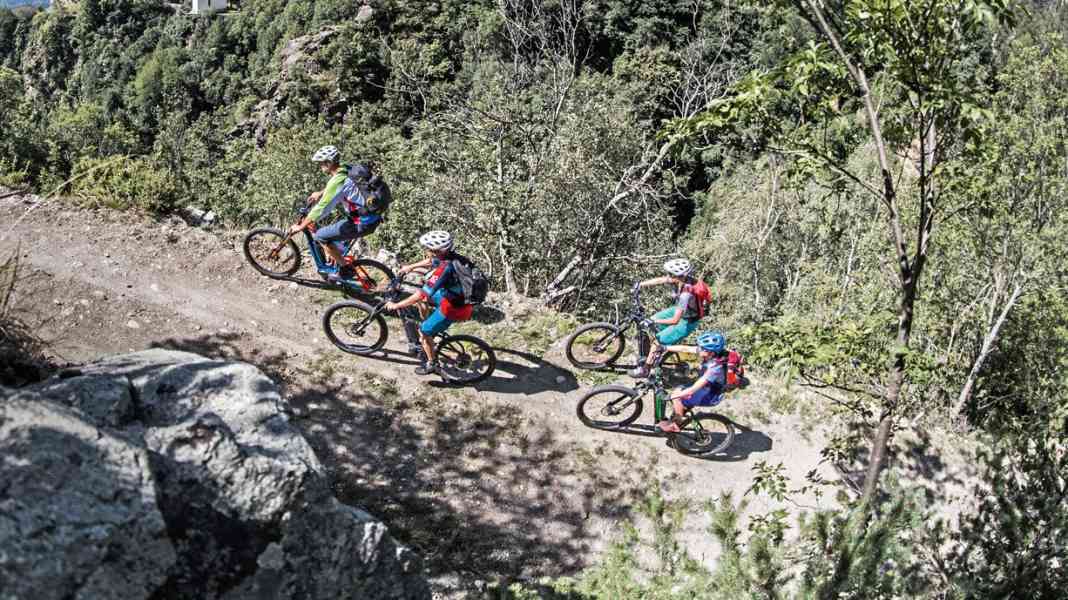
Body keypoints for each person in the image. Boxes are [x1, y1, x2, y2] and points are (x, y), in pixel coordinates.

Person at [383, 230, 473, 375]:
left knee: (423, 330)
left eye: (429, 249)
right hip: (453, 298)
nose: (426, 251)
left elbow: (422, 293)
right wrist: (410, 267)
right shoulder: (450, 256)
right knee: (423, 301)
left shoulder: (445, 269)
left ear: (437, 250)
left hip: (453, 308)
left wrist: (396, 305)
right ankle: (431, 329)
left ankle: (432, 363)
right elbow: (431, 262)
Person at [287, 145, 369, 278]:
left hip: (360, 223)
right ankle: (338, 259)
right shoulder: (346, 169)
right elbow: (338, 186)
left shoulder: (337, 180)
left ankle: (345, 269)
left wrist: (301, 226)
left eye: (321, 162)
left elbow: (322, 208)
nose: (320, 165)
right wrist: (320, 193)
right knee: (332, 235)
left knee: (320, 236)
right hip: (369, 218)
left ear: (329, 162)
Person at [629, 257, 705, 378]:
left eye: (671, 274)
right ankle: (651, 354)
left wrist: (653, 321)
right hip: (682, 311)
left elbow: (675, 320)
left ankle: (646, 370)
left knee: (657, 341)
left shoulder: (686, 294)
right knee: (651, 321)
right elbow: (662, 280)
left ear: (678, 276)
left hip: (687, 321)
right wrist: (640, 285)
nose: (668, 275)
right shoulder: (684, 278)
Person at [657, 331, 729, 432]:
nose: (699, 349)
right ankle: (680, 411)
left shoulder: (715, 368)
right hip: (706, 387)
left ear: (711, 352)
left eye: (702, 348)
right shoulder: (709, 353)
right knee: (680, 390)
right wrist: (664, 347)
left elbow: (692, 390)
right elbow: (685, 348)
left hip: (710, 394)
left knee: (677, 396)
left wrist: (671, 396)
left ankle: (675, 425)